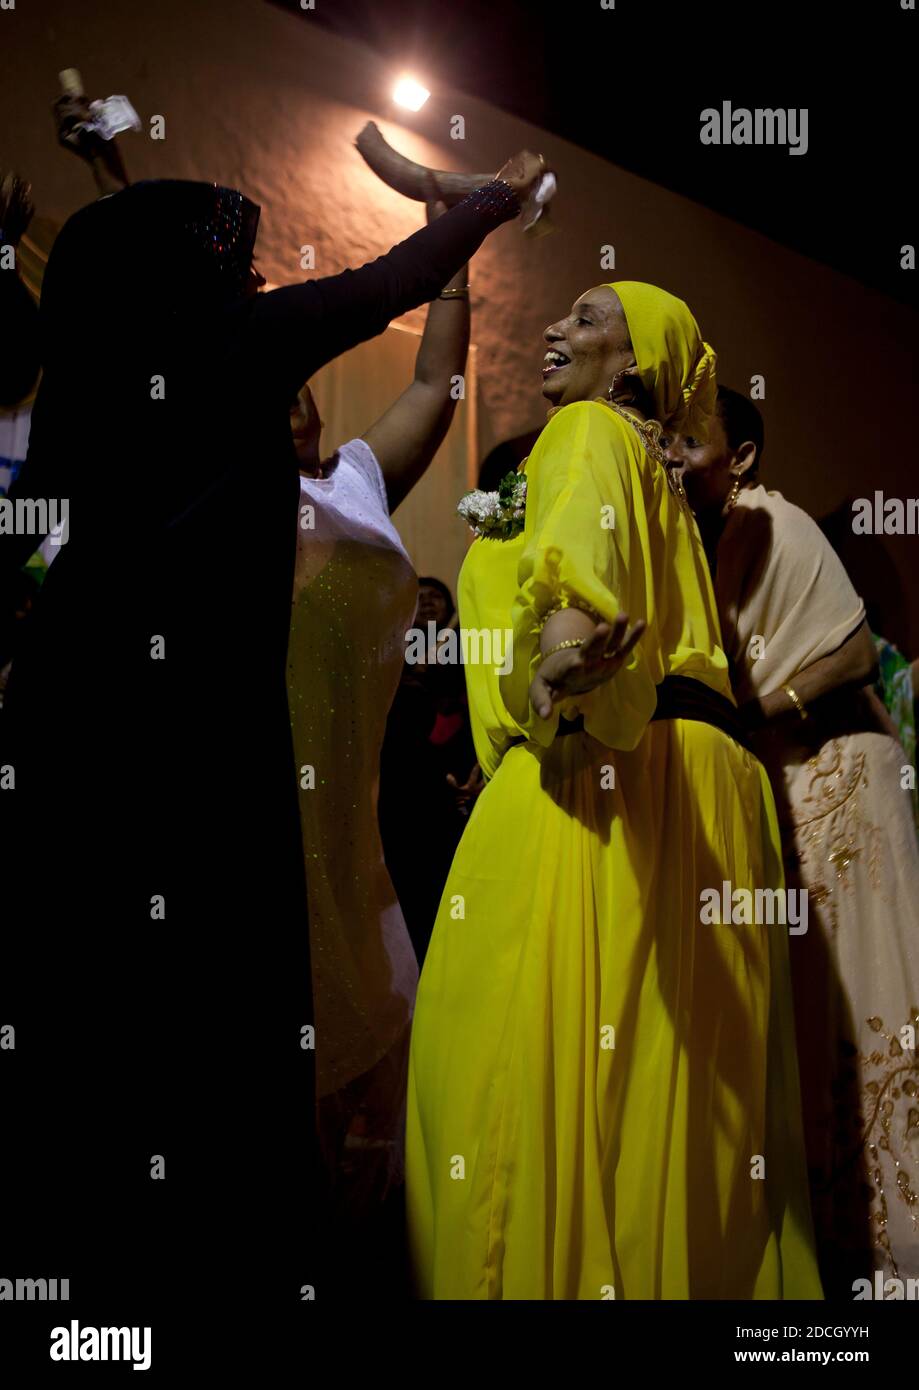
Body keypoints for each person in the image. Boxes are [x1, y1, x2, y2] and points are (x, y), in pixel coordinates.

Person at [0, 146, 546, 1332]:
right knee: (221, 1048)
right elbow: (386, 280)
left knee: (104, 1032)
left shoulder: (88, 392)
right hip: (203, 753)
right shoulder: (229, 350)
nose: (249, 290)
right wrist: (491, 199)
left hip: (78, 732)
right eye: (229, 272)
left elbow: (17, 539)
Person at [406, 282, 822, 1300]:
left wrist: (553, 667)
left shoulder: (592, 430)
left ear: (632, 366)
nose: (554, 326)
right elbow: (507, 518)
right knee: (663, 1117)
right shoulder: (641, 474)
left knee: (514, 1078)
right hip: (696, 774)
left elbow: (573, 580)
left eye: (586, 319)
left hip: (593, 761)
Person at [663, 386, 919, 1290]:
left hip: (846, 787)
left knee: (874, 1013)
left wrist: (746, 715)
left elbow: (850, 655)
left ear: (743, 459)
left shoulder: (773, 522)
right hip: (795, 793)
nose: (673, 457)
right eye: (667, 440)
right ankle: (847, 1244)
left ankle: (902, 1253)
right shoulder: (700, 544)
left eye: (692, 442)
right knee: (818, 1025)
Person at [285, 186, 473, 1280]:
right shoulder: (188, 502)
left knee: (361, 1175)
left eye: (303, 387)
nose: (295, 397)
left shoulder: (351, 489)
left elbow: (431, 385)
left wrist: (458, 241)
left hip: (351, 858)